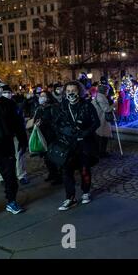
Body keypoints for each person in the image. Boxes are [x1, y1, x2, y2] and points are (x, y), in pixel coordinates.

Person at [54, 81, 100, 211]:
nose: (71, 93)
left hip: (84, 144)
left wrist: (85, 132)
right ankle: (70, 197)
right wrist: (65, 131)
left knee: (84, 169)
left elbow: (96, 122)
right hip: (68, 145)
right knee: (66, 171)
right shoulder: (62, 106)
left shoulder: (87, 105)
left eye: (73, 90)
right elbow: (56, 124)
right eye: (68, 91)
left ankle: (86, 192)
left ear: (79, 91)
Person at [0, 78, 28, 214]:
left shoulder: (9, 104)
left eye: (0, 87)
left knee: (10, 176)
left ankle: (11, 201)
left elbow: (18, 124)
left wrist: (22, 140)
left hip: (5, 145)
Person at [0, 85, 29, 185]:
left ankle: (21, 175)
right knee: (2, 158)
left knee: (19, 154)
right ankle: (2, 177)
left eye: (9, 92)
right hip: (1, 137)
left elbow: (19, 121)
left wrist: (22, 137)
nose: (7, 94)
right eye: (5, 92)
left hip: (14, 135)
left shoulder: (13, 104)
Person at [33, 91, 61, 184]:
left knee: (53, 156)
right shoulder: (39, 108)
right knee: (46, 157)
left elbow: (57, 121)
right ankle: (52, 173)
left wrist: (45, 121)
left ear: (48, 98)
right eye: (40, 96)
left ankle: (58, 177)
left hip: (52, 136)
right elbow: (35, 119)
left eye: (43, 96)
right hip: (42, 135)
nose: (41, 98)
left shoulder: (53, 107)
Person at [92, 84, 113, 158]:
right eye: (107, 90)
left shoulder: (97, 96)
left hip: (98, 118)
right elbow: (106, 109)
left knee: (100, 136)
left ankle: (99, 151)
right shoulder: (102, 98)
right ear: (104, 91)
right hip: (102, 119)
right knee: (103, 136)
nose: (108, 92)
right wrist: (114, 105)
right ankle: (102, 152)